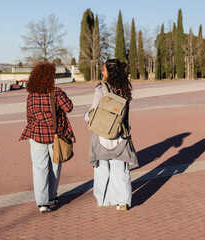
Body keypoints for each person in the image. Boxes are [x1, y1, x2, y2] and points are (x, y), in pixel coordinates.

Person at [20, 62, 74, 213]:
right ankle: (52, 196)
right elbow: (69, 107)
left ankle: (42, 202)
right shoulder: (56, 92)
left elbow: (29, 117)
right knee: (55, 165)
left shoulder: (31, 96)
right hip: (55, 135)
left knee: (39, 168)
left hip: (36, 134)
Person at [84, 59, 138, 211]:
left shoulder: (101, 88)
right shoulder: (124, 88)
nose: (102, 72)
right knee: (120, 168)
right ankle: (122, 201)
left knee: (102, 168)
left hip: (102, 133)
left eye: (104, 70)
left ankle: (104, 199)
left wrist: (85, 116)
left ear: (109, 72)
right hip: (120, 134)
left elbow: (93, 112)